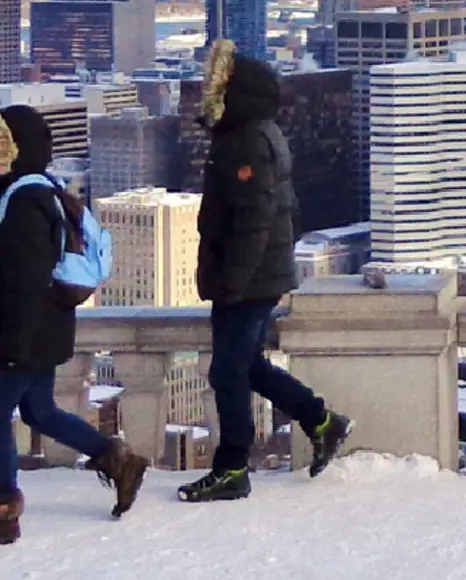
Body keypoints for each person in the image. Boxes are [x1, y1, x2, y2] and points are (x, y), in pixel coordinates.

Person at [178, 41, 352, 504]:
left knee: (227, 373)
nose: (207, 97)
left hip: (249, 278)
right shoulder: (253, 133)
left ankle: (233, 466)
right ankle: (320, 420)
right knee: (247, 365)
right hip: (258, 274)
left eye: (216, 89)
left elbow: (253, 220)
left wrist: (232, 281)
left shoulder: (248, 141)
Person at [0, 106, 149, 544]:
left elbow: (23, 283)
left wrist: (10, 347)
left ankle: (4, 508)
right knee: (39, 410)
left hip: (22, 334)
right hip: (46, 330)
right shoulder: (45, 190)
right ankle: (116, 458)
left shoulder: (24, 204)